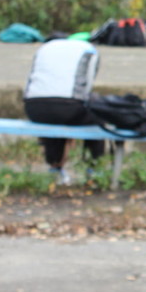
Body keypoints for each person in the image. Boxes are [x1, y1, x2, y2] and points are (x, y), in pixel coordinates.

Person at [22, 36, 105, 184]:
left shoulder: (43, 49)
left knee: (51, 118)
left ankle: (55, 168)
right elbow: (87, 86)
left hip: (34, 108)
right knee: (97, 118)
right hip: (69, 107)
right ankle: (93, 167)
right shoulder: (88, 49)